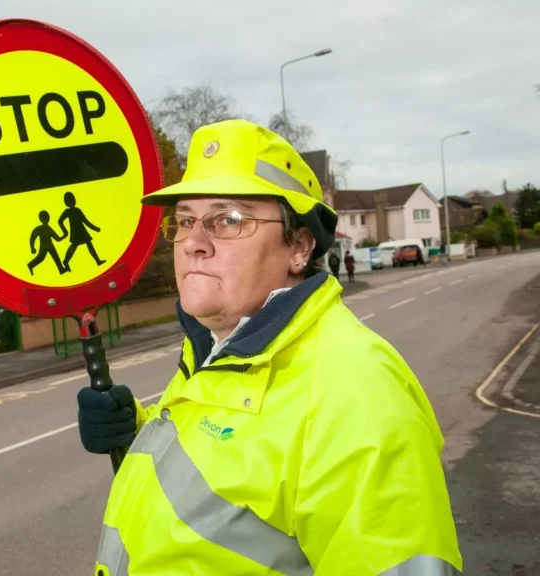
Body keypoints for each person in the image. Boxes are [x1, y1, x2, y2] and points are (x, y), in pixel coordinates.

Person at [77, 119, 462, 575]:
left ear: (298, 246)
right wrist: (137, 430)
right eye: (184, 220)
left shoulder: (357, 395)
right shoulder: (220, 348)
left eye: (228, 220)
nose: (194, 243)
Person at [57, 190, 106, 272]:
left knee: (88, 244)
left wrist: (95, 228)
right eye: (70, 200)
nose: (73, 201)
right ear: (66, 202)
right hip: (76, 232)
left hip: (82, 230)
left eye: (73, 199)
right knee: (74, 246)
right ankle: (66, 260)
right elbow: (60, 221)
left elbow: (85, 221)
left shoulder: (77, 210)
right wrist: (65, 231)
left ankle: (97, 260)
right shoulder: (67, 211)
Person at [27, 210, 66, 275]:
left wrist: (64, 236)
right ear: (41, 219)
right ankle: (30, 265)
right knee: (41, 258)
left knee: (55, 257)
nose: (46, 220)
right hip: (44, 246)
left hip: (50, 246)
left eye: (47, 218)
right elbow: (32, 238)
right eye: (44, 218)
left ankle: (61, 269)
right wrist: (32, 247)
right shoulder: (39, 228)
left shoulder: (48, 228)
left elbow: (57, 238)